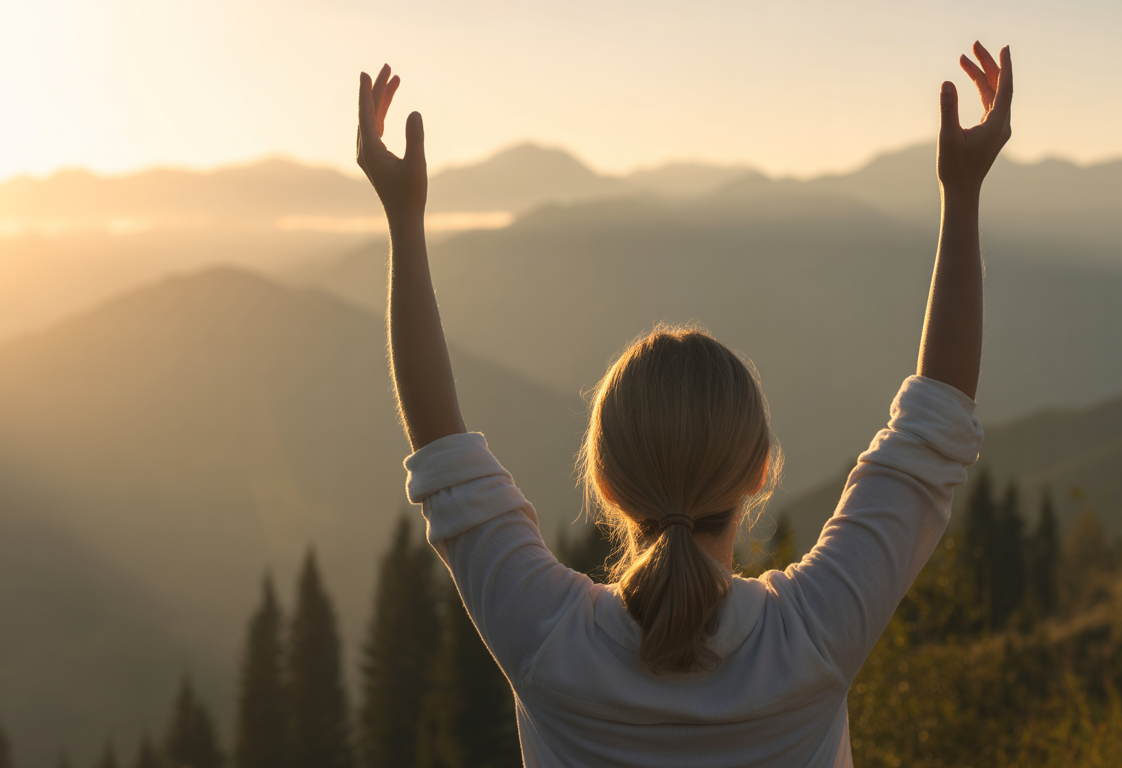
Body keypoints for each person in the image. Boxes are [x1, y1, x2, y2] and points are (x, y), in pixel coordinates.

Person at [356, 41, 1012, 768]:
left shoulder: (548, 642)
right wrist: (963, 190)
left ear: (604, 484)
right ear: (761, 469)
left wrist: (403, 217)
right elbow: (934, 430)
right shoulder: (812, 637)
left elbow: (441, 450)